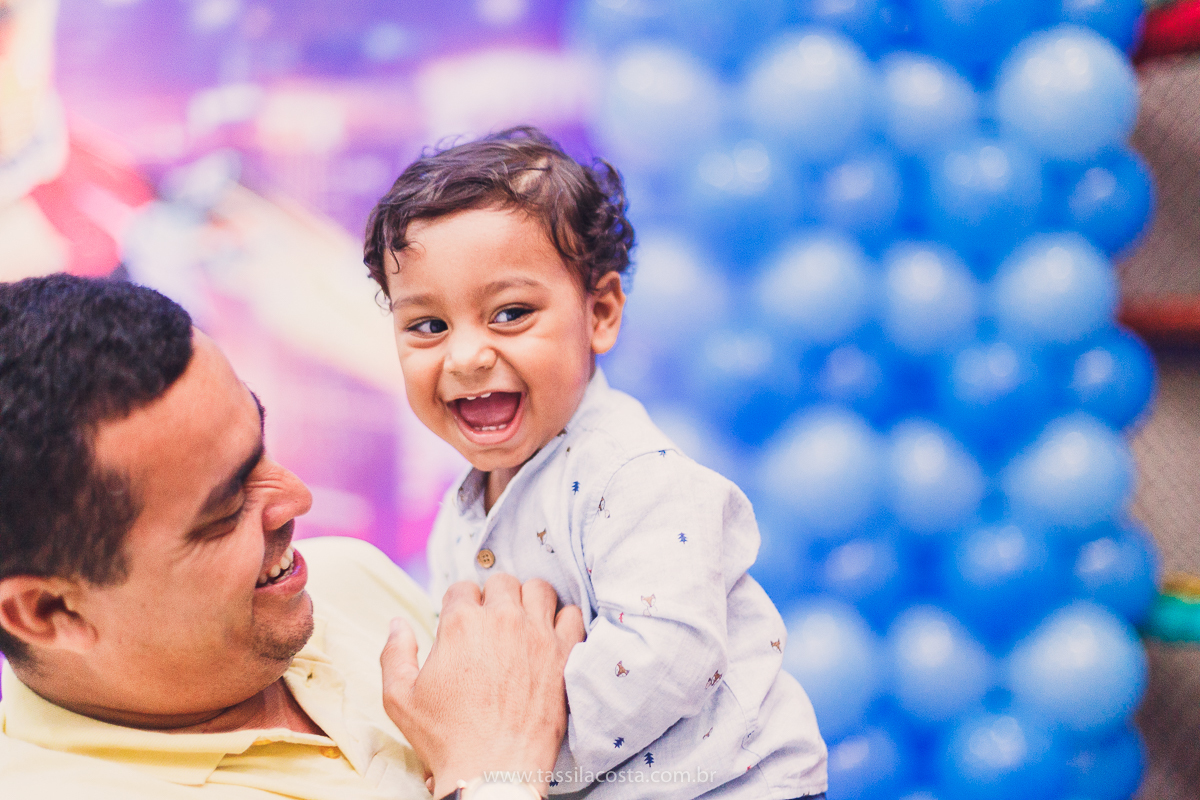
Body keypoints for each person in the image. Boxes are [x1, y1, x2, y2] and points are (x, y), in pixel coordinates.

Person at [362, 127, 828, 799]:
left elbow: (667, 657)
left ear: (600, 313)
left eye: (510, 313)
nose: (464, 356)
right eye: (427, 326)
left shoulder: (631, 477)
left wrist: (505, 757)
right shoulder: (462, 513)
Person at [0, 273, 584, 800]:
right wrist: (494, 775)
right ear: (49, 610)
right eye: (227, 508)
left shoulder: (342, 578)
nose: (297, 499)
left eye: (260, 446)